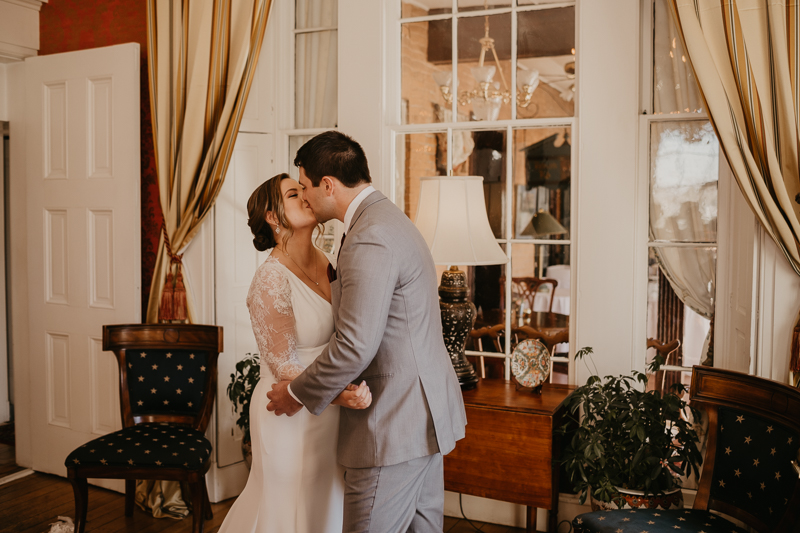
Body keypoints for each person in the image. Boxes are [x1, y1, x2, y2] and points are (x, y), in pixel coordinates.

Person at [267, 131, 467, 532]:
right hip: (424, 414)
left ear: (328, 185)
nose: (303, 197)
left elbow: (355, 346)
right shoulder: (388, 217)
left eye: (304, 187)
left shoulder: (368, 237)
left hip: (393, 424)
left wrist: (294, 393)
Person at [218, 173, 372, 533]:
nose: (305, 196)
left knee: (324, 507)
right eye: (293, 193)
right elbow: (284, 365)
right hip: (288, 411)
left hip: (329, 412)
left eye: (304, 189)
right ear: (273, 217)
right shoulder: (269, 279)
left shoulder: (329, 261)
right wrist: (340, 396)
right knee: (287, 512)